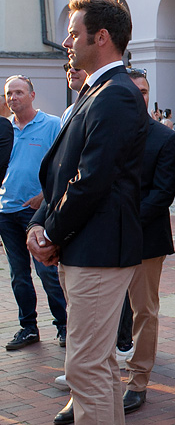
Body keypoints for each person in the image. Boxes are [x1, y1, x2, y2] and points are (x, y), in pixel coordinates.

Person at [27, 0, 148, 425]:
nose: (66, 41)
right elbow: (63, 170)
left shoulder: (115, 94)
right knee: (97, 365)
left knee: (85, 366)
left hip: (98, 248)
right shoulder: (95, 89)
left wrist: (51, 234)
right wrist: (41, 224)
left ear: (101, 37)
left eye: (74, 33)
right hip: (84, 244)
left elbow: (92, 179)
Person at [118, 67, 175, 414]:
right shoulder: (106, 130)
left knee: (144, 311)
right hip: (105, 239)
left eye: (144, 91)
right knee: (101, 313)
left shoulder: (163, 137)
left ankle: (138, 381)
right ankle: (93, 382)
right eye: (132, 90)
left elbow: (162, 195)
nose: (139, 96)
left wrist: (124, 223)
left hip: (145, 237)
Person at [0, 75, 67, 352]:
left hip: (37, 212)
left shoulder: (51, 124)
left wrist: (44, 196)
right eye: (8, 93)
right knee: (18, 274)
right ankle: (28, 327)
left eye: (18, 92)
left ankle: (64, 327)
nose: (13, 98)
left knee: (47, 271)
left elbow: (63, 164)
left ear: (32, 95)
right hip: (6, 210)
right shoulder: (4, 129)